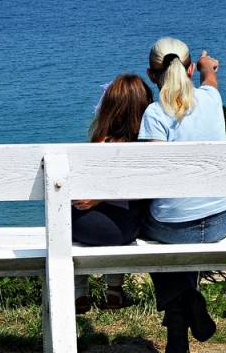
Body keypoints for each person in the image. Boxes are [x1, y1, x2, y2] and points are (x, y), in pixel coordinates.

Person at [140, 37, 226, 353]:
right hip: (222, 220)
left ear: (152, 75)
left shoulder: (155, 114)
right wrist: (210, 67)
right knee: (184, 214)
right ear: (190, 69)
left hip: (176, 228)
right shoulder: (211, 98)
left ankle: (185, 306)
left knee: (151, 221)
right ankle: (178, 328)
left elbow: (151, 180)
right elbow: (211, 81)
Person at [70, 73, 153, 313]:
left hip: (84, 228)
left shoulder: (100, 141)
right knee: (127, 214)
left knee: (68, 211)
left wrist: (96, 198)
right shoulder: (146, 146)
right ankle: (114, 293)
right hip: (123, 232)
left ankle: (79, 294)